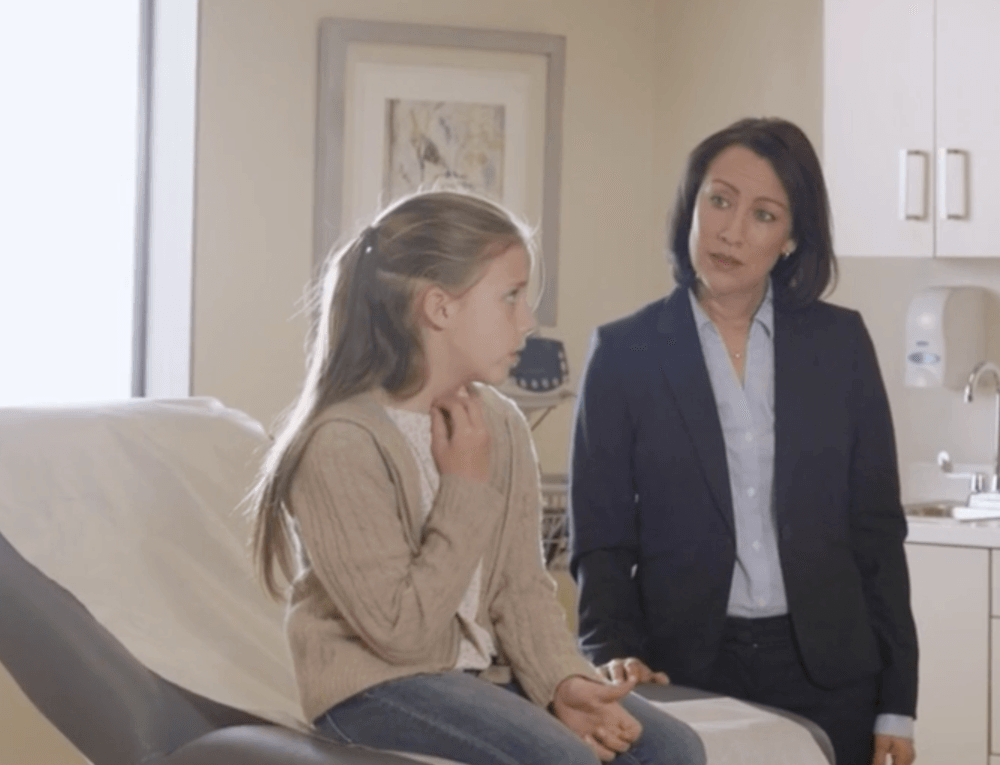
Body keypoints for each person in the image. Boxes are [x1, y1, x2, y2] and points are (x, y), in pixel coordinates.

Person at [245, 190, 706, 765]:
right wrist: (463, 485)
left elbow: (521, 587)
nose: (528, 319)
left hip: (479, 676)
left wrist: (561, 682)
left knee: (674, 751)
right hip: (374, 687)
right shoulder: (341, 442)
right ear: (440, 309)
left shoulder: (500, 423)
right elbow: (400, 636)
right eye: (510, 297)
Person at [569, 117, 919, 765]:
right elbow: (602, 540)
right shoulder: (624, 352)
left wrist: (897, 701)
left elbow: (876, 532)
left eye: (763, 214)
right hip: (684, 673)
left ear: (791, 239)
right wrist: (613, 651)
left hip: (832, 675)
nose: (731, 230)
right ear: (691, 205)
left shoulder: (840, 345)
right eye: (719, 199)